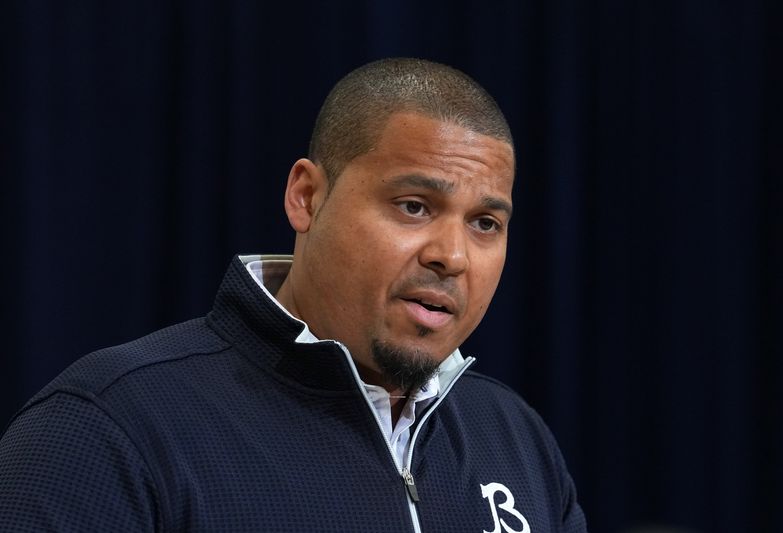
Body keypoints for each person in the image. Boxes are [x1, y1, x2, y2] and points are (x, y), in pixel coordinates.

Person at [0, 58, 586, 532]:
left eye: (485, 223)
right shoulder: (106, 431)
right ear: (306, 197)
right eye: (414, 206)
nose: (451, 256)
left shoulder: (515, 437)